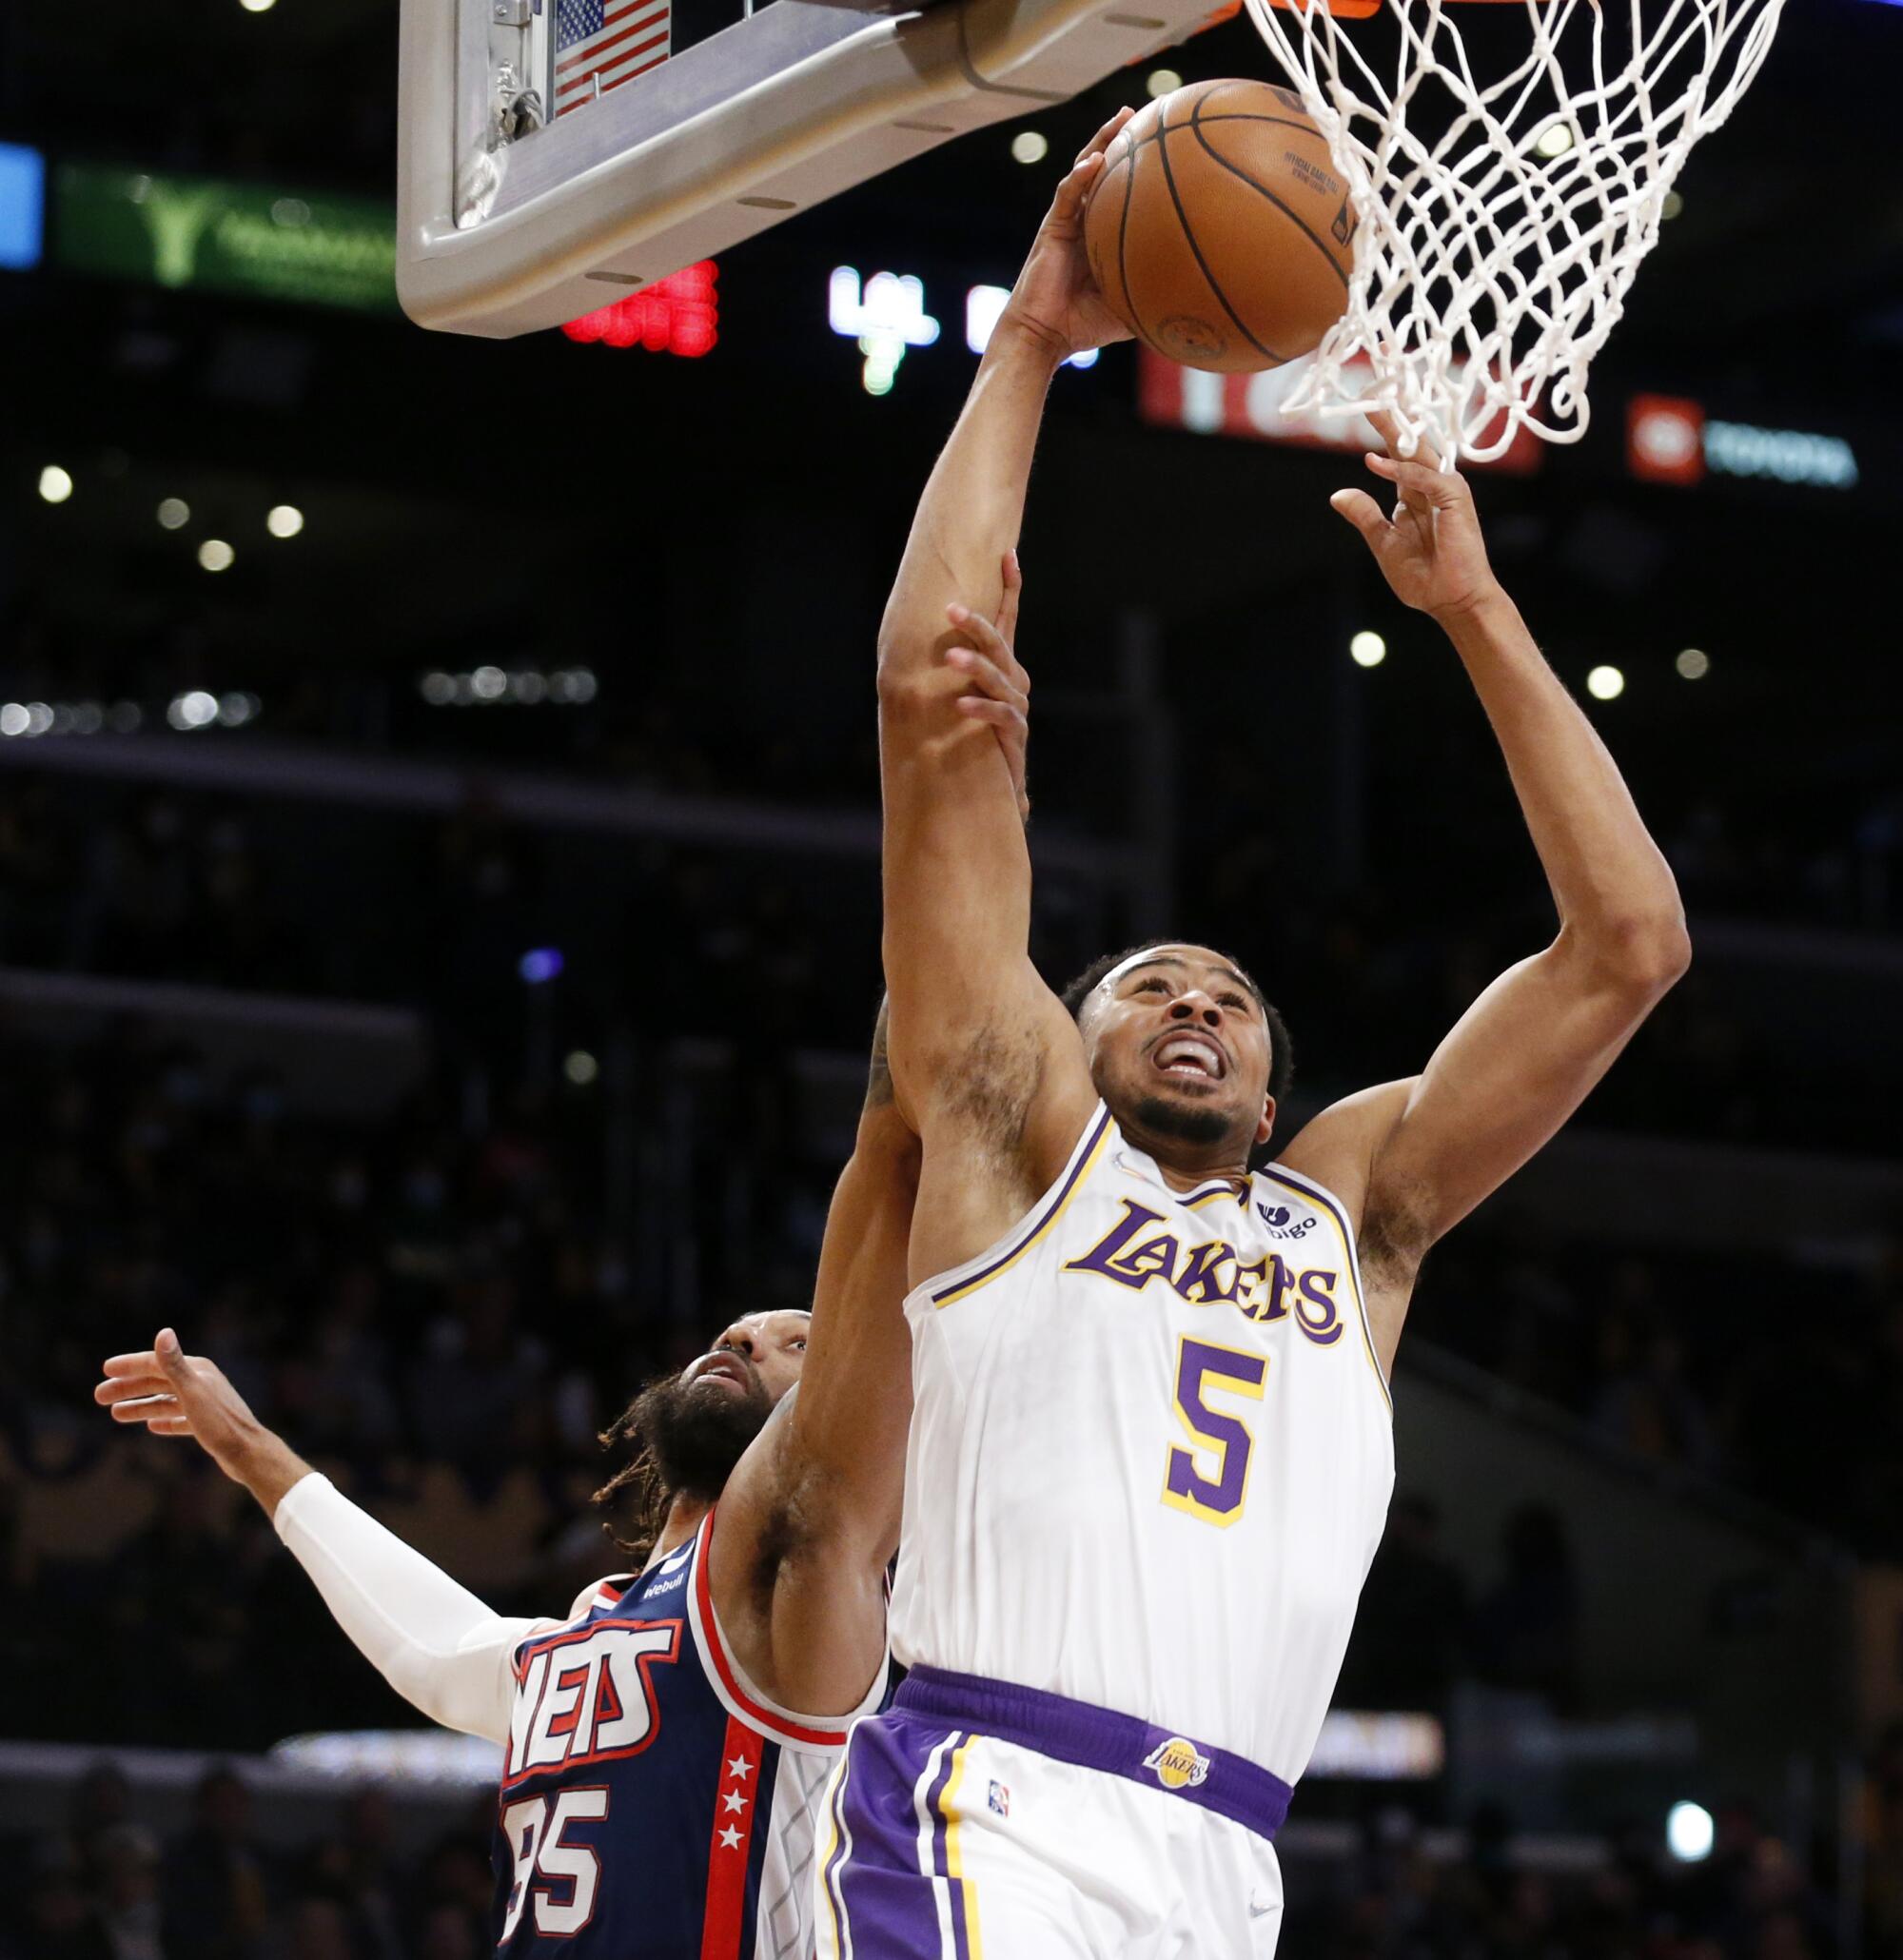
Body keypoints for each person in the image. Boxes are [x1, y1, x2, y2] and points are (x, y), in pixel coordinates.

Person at [822, 107, 1690, 1959]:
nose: (1197, 998)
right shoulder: (1011, 1148)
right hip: (992, 1803)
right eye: (1149, 980)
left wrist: (1471, 608)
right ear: (1069, 1039)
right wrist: (1029, 347)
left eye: (1227, 991)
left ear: (1282, 1087)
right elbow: (927, 698)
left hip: (1230, 1862)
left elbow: (1626, 946)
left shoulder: (1348, 1219)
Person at [93, 642, 1034, 1960]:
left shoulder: (803, 1580)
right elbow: (444, 1650)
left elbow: (899, 1158)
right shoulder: (602, 1629)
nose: (742, 1337)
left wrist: (966, 844)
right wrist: (247, 1447)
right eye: (736, 1330)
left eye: (790, 1344)